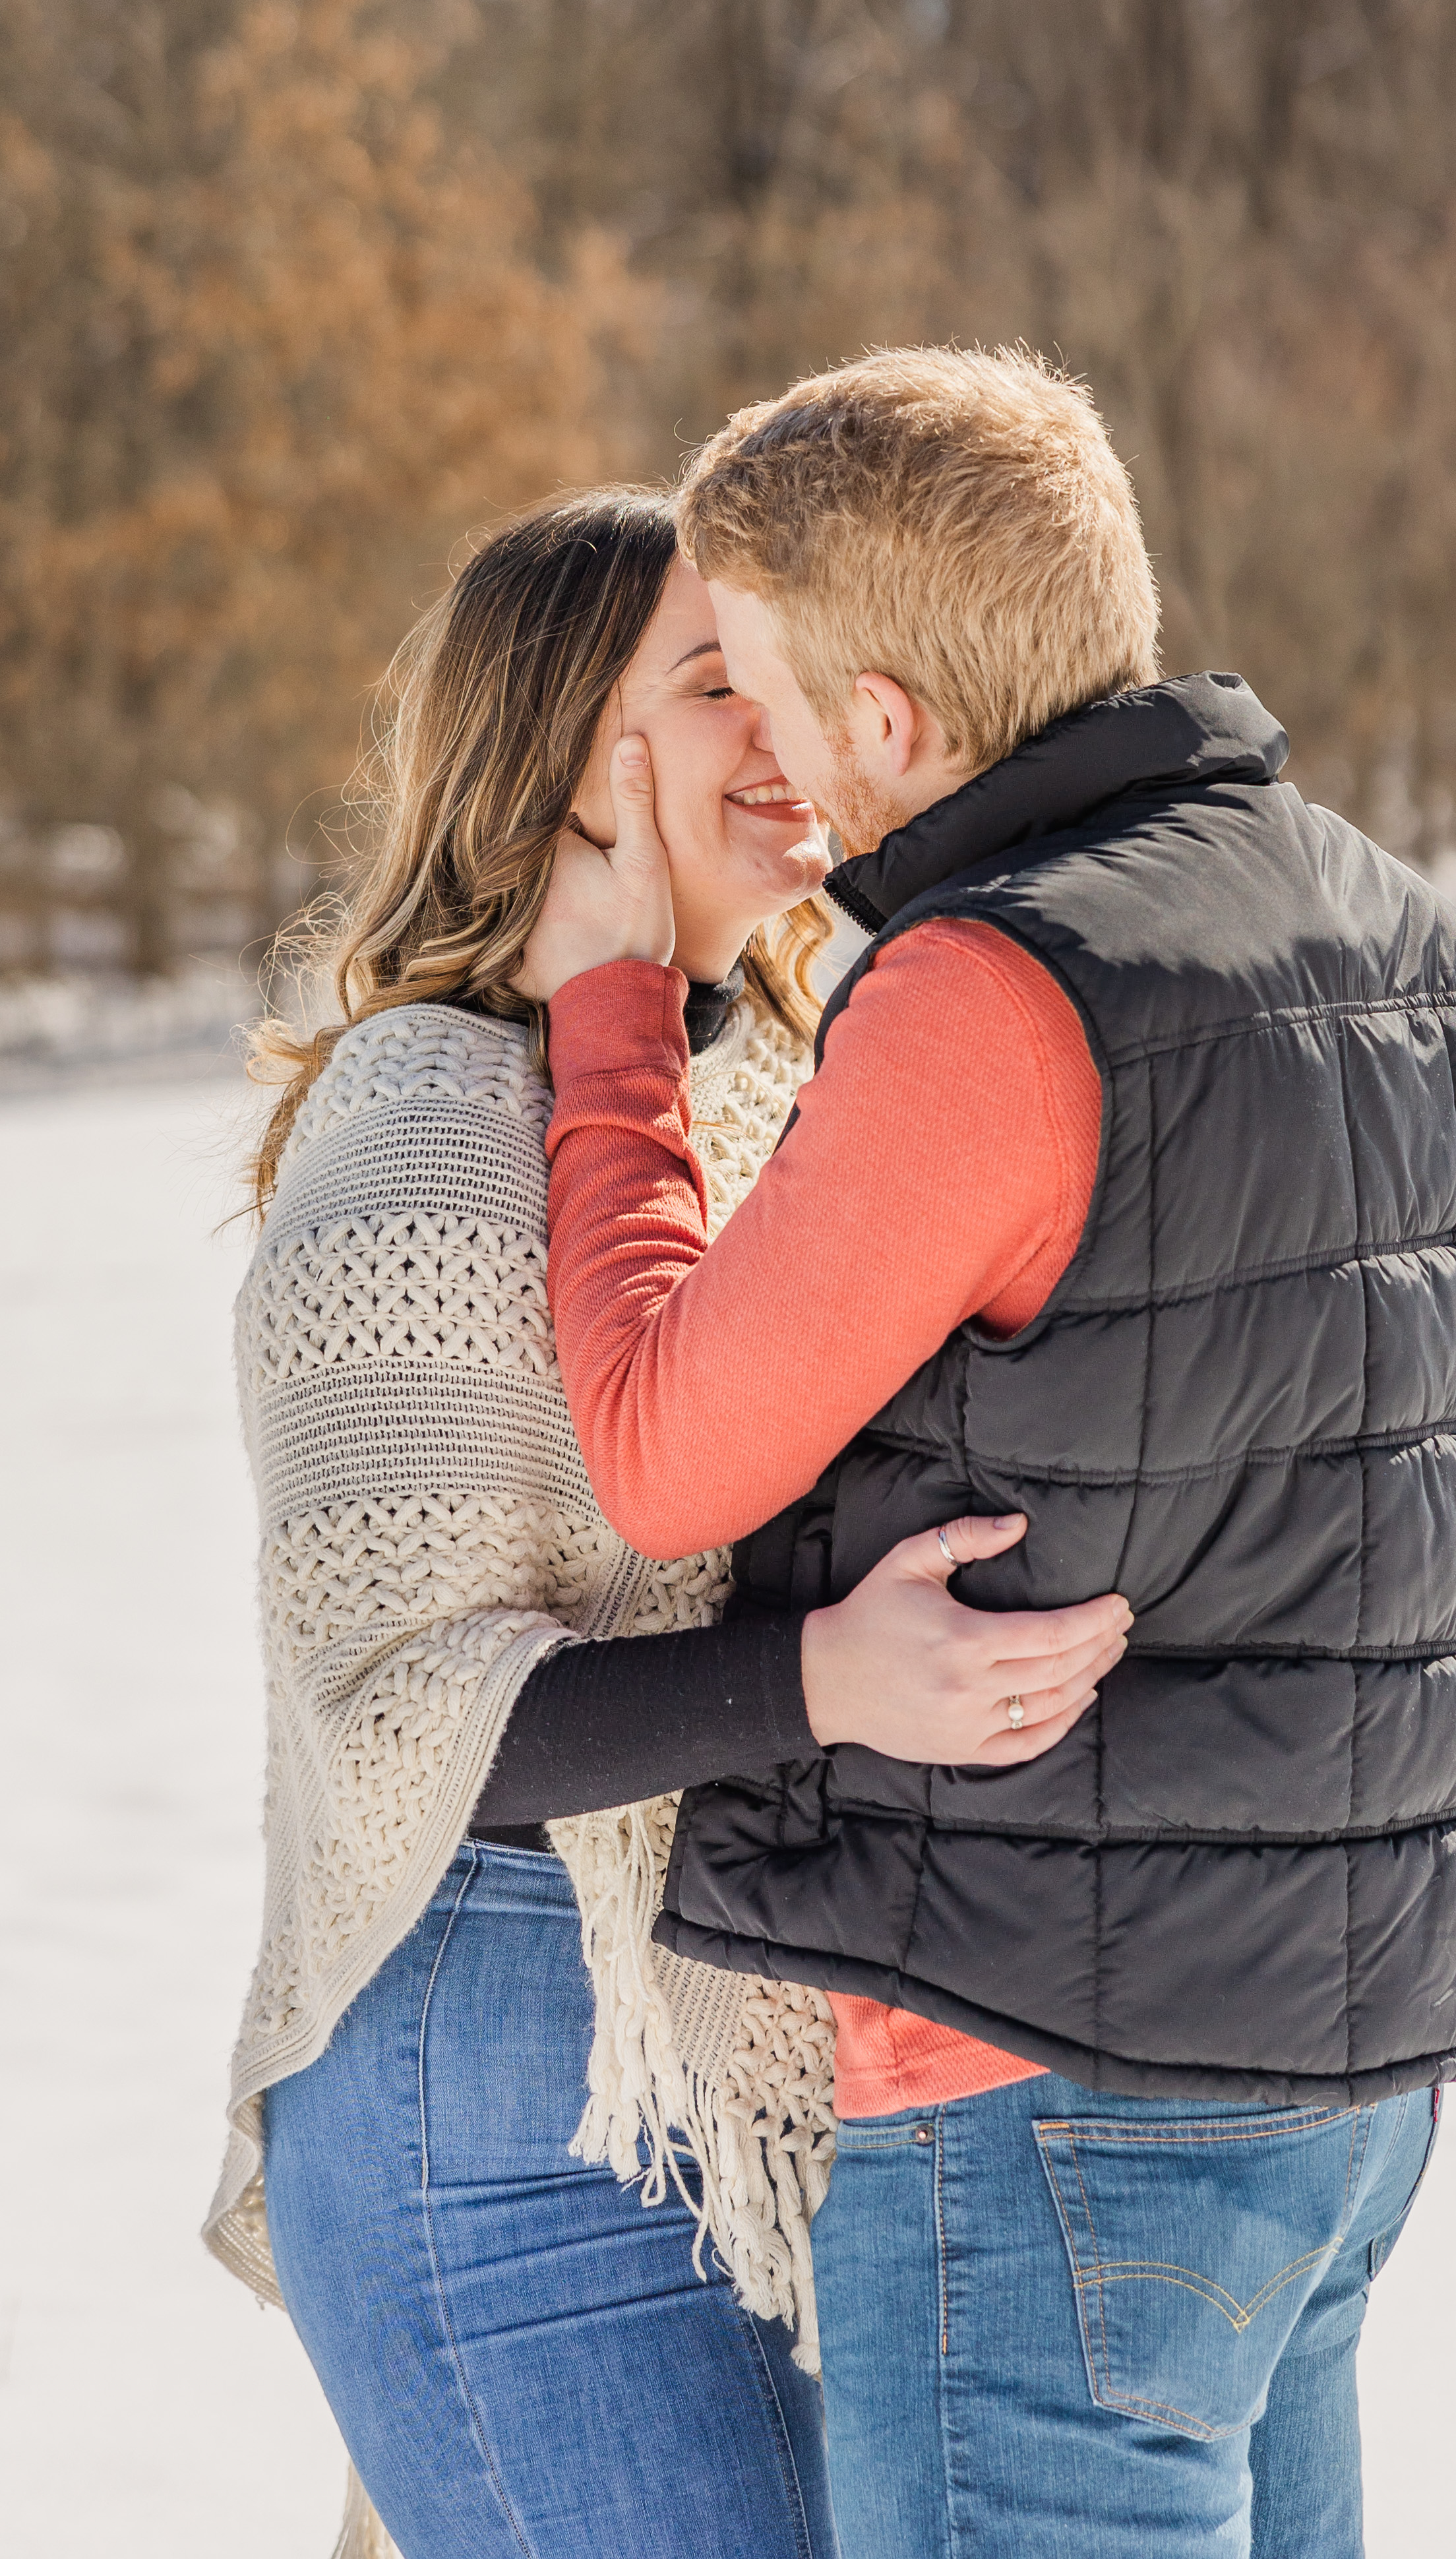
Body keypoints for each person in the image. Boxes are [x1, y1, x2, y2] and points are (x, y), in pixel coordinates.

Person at [512, 352, 1456, 2559]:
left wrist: (614, 1014)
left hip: (1055, 2091)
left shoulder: (998, 996)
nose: (775, 771)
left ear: (889, 723)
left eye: (776, 701)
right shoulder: (1407, 936)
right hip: (1347, 2067)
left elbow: (660, 1456)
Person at [202, 485, 1132, 2559]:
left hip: (725, 2068)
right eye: (716, 684)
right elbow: (411, 1725)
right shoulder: (432, 1126)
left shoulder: (764, 1081)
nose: (782, 729)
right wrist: (832, 1680)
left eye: (782, 677)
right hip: (502, 2098)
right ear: (554, 759)